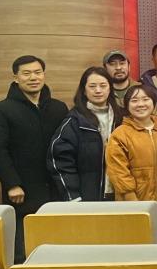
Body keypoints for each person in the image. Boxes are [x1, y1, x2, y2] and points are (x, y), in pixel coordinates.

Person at [0, 55, 68, 263]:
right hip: (21, 193)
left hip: (55, 190)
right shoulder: (2, 110)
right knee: (24, 252)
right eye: (26, 73)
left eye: (37, 72)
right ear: (16, 78)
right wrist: (12, 184)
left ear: (44, 75)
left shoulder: (58, 108)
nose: (33, 77)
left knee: (57, 249)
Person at [105, 85, 157, 243]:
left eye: (145, 99)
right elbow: (118, 172)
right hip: (134, 199)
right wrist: (132, 200)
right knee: (140, 240)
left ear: (153, 103)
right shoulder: (120, 134)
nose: (141, 104)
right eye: (134, 100)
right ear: (127, 105)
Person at [48, 67, 122, 202]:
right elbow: (60, 161)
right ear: (84, 90)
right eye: (92, 86)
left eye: (103, 85)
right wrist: (73, 196)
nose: (98, 90)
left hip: (120, 194)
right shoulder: (74, 121)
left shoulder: (122, 117)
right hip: (87, 196)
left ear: (110, 88)